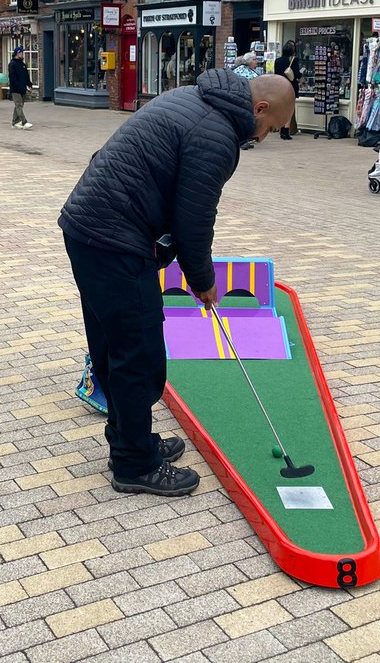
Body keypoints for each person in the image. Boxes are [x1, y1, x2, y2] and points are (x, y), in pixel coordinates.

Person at [59, 70, 295, 497]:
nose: (263, 138)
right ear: (259, 108)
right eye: (271, 128)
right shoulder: (217, 136)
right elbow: (194, 217)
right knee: (139, 355)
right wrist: (202, 279)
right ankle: (134, 465)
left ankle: (133, 442)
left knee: (116, 349)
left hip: (89, 228)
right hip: (113, 240)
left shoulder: (194, 96)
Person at [274, 41, 301, 139]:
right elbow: (297, 74)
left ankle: (281, 129)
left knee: (282, 108)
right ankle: (286, 131)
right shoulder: (293, 60)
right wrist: (301, 74)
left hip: (280, 85)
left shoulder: (277, 61)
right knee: (289, 109)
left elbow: (276, 73)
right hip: (290, 86)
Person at [8, 46, 33, 130]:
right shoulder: (12, 64)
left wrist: (29, 84)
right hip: (15, 89)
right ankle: (24, 122)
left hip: (23, 88)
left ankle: (15, 122)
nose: (23, 54)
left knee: (19, 105)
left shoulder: (23, 65)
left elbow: (26, 76)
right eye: (22, 53)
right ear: (18, 53)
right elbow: (12, 78)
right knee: (18, 105)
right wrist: (17, 86)